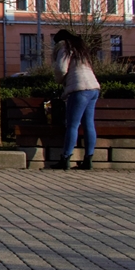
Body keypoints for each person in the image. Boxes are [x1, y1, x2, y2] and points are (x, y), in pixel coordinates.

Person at [52, 28, 100, 169]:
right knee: (88, 124)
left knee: (72, 125)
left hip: (79, 89)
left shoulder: (64, 47)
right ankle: (88, 160)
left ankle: (65, 158)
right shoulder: (80, 49)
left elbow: (61, 69)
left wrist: (60, 81)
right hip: (93, 87)